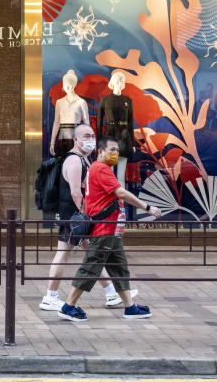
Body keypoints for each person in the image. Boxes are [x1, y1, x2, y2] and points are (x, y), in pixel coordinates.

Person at [57, 136, 162, 322]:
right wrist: (147, 208)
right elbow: (120, 192)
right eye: (111, 150)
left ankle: (130, 307)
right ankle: (68, 307)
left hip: (112, 231)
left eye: (117, 151)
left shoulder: (97, 169)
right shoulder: (101, 169)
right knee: (90, 268)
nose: (115, 153)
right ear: (100, 151)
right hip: (104, 230)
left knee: (120, 268)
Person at [39, 124, 131, 311]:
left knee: (94, 253)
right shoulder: (74, 160)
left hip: (78, 218)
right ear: (75, 139)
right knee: (64, 253)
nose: (90, 139)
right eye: (86, 136)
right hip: (74, 217)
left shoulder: (83, 159)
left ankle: (112, 293)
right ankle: (50, 296)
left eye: (92, 135)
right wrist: (86, 215)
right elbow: (75, 192)